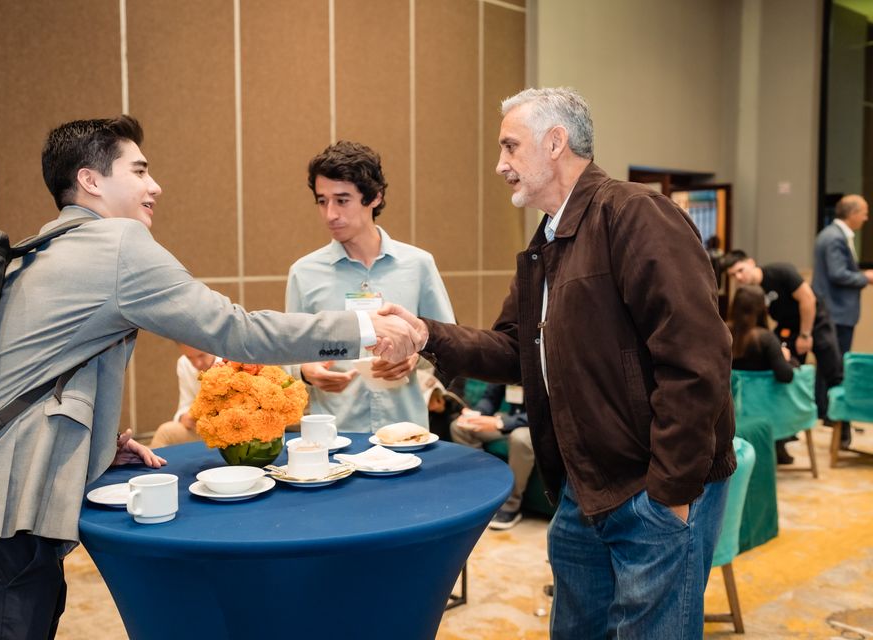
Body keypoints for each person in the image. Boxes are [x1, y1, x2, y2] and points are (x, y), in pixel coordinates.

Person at [0, 116, 421, 639]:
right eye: (138, 171)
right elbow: (236, 330)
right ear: (91, 181)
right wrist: (365, 328)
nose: (154, 185)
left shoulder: (44, 247)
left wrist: (95, 447)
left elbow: (28, 375)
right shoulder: (115, 244)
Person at [381, 87, 734, 638]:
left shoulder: (635, 214)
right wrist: (427, 334)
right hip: (583, 492)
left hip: (651, 490)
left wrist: (670, 492)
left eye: (510, 146)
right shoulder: (546, 244)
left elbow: (697, 358)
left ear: (555, 142)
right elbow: (514, 350)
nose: (500, 165)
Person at [286, 141, 455, 432]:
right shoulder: (304, 273)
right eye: (322, 201)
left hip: (405, 433)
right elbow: (288, 351)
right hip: (335, 436)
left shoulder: (418, 265)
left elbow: (448, 344)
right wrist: (305, 371)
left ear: (375, 197)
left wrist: (414, 358)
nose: (330, 214)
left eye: (342, 200)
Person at [722, 249, 843, 445]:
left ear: (751, 263)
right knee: (783, 368)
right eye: (733, 275)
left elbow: (808, 299)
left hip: (814, 322)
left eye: (740, 270)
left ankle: (843, 431)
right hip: (788, 328)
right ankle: (784, 434)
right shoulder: (753, 292)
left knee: (833, 373)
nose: (738, 277)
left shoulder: (780, 272)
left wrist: (805, 334)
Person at [812, 194, 873, 447]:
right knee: (834, 365)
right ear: (852, 213)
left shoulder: (831, 234)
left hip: (833, 310)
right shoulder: (835, 237)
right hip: (836, 311)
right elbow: (838, 274)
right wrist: (865, 277)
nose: (866, 218)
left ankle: (828, 412)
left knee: (829, 363)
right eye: (864, 212)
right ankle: (831, 413)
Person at [450, 382, 533, 530]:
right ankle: (482, 491)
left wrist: (502, 422)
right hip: (511, 420)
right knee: (459, 427)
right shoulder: (508, 368)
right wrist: (477, 414)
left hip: (538, 426)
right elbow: (490, 398)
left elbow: (546, 413)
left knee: (520, 438)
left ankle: (510, 506)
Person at [728, 285, 796, 461]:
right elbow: (785, 376)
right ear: (761, 309)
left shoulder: (723, 333)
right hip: (766, 410)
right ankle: (779, 446)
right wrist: (786, 358)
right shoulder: (766, 338)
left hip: (729, 409)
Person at [149, 344, 220, 448]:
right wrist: (183, 417)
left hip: (233, 428)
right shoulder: (184, 363)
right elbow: (185, 404)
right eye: (189, 358)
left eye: (201, 355)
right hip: (203, 428)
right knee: (164, 432)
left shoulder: (232, 359)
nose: (197, 364)